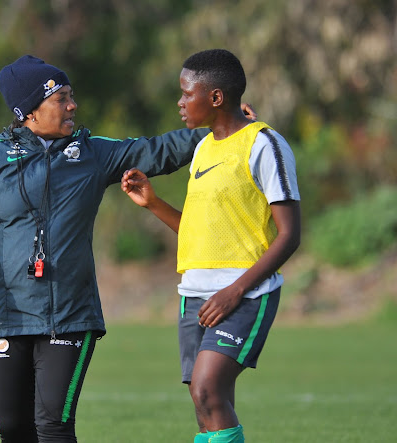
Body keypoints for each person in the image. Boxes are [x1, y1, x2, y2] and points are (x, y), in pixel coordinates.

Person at [0, 55, 212, 442]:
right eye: (62, 98)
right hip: (6, 312)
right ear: (30, 111)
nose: (73, 105)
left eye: (72, 96)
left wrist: (224, 131)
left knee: (54, 425)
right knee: (12, 427)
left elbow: (157, 150)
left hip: (70, 314)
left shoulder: (92, 152)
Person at [121, 49, 302, 443]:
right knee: (204, 405)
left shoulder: (264, 144)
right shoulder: (202, 149)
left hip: (243, 293)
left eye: (188, 94)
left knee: (207, 388)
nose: (181, 102)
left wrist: (235, 291)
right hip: (195, 296)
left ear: (216, 97)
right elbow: (197, 233)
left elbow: (290, 235)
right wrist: (153, 203)